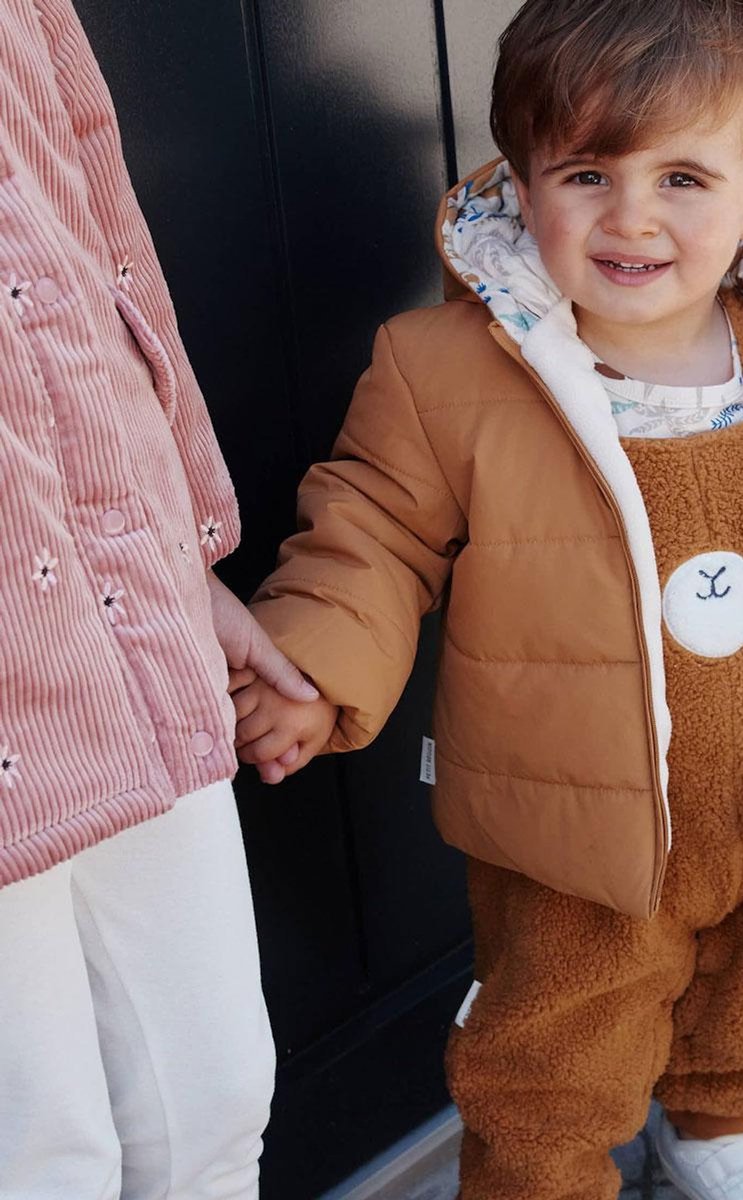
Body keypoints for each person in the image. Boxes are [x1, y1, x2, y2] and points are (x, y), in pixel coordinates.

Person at [235, 1, 743, 1197]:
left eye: (683, 177)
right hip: (578, 829)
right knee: (552, 1057)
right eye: (586, 170)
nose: (631, 215)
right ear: (520, 182)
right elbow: (370, 531)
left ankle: (716, 1129)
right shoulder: (449, 374)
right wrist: (319, 664)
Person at [0, 2, 317, 1196]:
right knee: (38, 1154)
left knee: (216, 1089)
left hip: (120, 620)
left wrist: (188, 553)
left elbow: (99, 223)